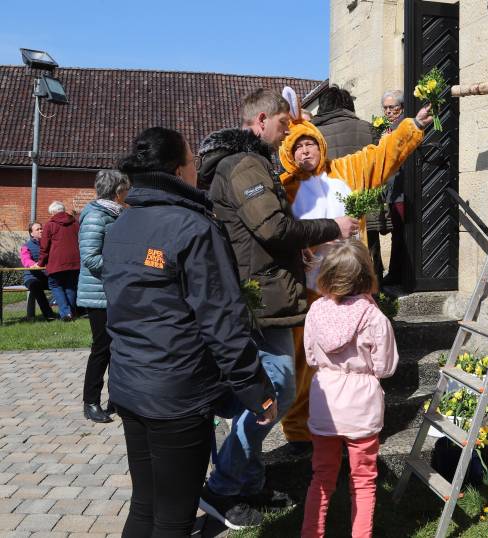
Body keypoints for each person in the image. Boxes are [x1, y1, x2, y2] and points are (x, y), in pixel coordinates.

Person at [102, 127, 277, 538]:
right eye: (192, 160)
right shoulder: (193, 227)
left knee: (145, 505)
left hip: (129, 385)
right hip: (176, 397)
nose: (197, 167)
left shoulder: (122, 223)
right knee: (173, 518)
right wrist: (257, 390)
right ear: (179, 169)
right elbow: (222, 320)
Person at [197, 88, 359, 530]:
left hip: (266, 293)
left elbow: (262, 233)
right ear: (262, 119)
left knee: (268, 393)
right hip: (261, 300)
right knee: (276, 393)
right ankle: (223, 486)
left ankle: (246, 480)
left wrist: (296, 253)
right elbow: (271, 227)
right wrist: (334, 227)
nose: (291, 132)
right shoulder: (245, 164)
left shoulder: (245, 163)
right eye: (286, 124)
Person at [278, 97, 431, 456]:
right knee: (306, 359)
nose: (304, 152)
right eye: (296, 147)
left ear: (320, 144)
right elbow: (274, 230)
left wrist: (413, 127)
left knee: (358, 357)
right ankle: (301, 429)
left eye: (309, 144)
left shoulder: (347, 171)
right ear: (287, 153)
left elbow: (382, 155)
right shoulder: (283, 188)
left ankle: (358, 422)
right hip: (309, 289)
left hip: (352, 285)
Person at [301, 239, 399, 538]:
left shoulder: (316, 310)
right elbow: (385, 367)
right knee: (364, 481)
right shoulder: (375, 317)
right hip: (361, 409)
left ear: (327, 274)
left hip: (325, 405)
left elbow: (310, 356)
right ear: (365, 275)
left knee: (321, 477)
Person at [311, 85, 384, 281]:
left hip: (329, 210)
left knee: (332, 261)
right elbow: (380, 167)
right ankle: (376, 302)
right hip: (365, 206)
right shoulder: (368, 129)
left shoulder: (313, 134)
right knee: (369, 258)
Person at [77, 169, 130, 424]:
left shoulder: (117, 214)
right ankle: (91, 401)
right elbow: (90, 258)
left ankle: (116, 398)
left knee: (118, 347)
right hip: (98, 294)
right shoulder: (96, 216)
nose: (128, 193)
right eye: (126, 189)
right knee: (102, 348)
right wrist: (122, 264)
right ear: (117, 191)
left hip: (115, 291)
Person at [380, 90, 407, 286]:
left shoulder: (402, 127)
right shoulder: (388, 128)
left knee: (400, 233)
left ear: (401, 108)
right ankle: (395, 272)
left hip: (402, 189)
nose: (388, 112)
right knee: (395, 231)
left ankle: (398, 274)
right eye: (386, 108)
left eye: (392, 108)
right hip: (392, 189)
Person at [37, 201, 80, 321]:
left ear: (53, 212)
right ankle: (71, 313)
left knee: (55, 285)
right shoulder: (75, 223)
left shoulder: (50, 225)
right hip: (75, 261)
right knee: (71, 287)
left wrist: (40, 263)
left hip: (56, 262)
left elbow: (44, 246)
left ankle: (66, 313)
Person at [19, 222, 56, 321]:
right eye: (38, 229)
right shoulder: (26, 246)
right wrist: (33, 265)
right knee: (35, 286)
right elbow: (25, 259)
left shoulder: (49, 243)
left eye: (41, 228)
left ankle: (70, 311)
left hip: (47, 276)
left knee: (62, 284)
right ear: (31, 233)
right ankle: (49, 315)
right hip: (32, 277)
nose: (41, 230)